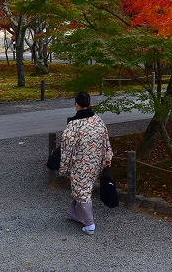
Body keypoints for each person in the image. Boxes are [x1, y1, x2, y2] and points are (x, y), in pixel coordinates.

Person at [59, 91, 113, 236]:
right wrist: (107, 159)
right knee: (85, 188)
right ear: (90, 104)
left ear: (76, 105)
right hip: (96, 162)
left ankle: (90, 224)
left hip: (80, 163)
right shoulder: (98, 120)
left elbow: (66, 147)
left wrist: (63, 166)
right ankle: (77, 215)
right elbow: (106, 142)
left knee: (82, 191)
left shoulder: (74, 124)